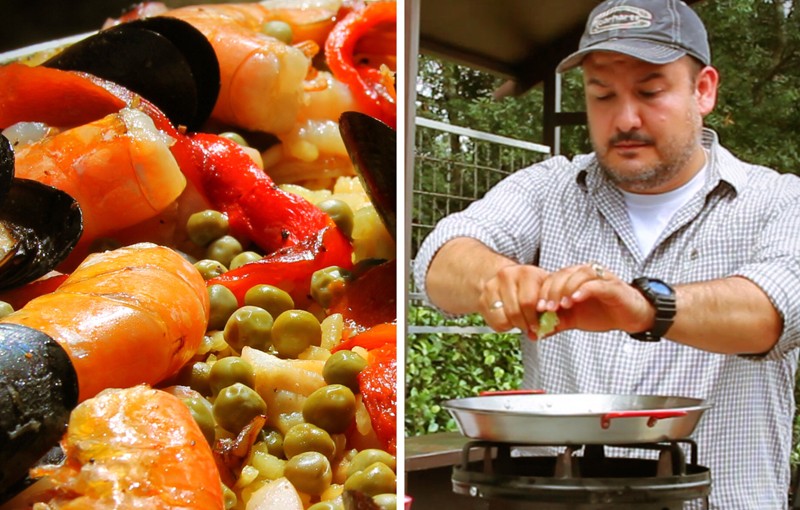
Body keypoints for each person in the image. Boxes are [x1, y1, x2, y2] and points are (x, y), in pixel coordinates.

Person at [413, 0, 800, 508]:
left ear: (703, 90)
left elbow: (774, 307)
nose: (625, 118)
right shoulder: (549, 189)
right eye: (602, 95)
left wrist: (643, 307)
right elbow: (439, 256)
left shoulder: (780, 200)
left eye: (650, 91)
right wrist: (498, 277)